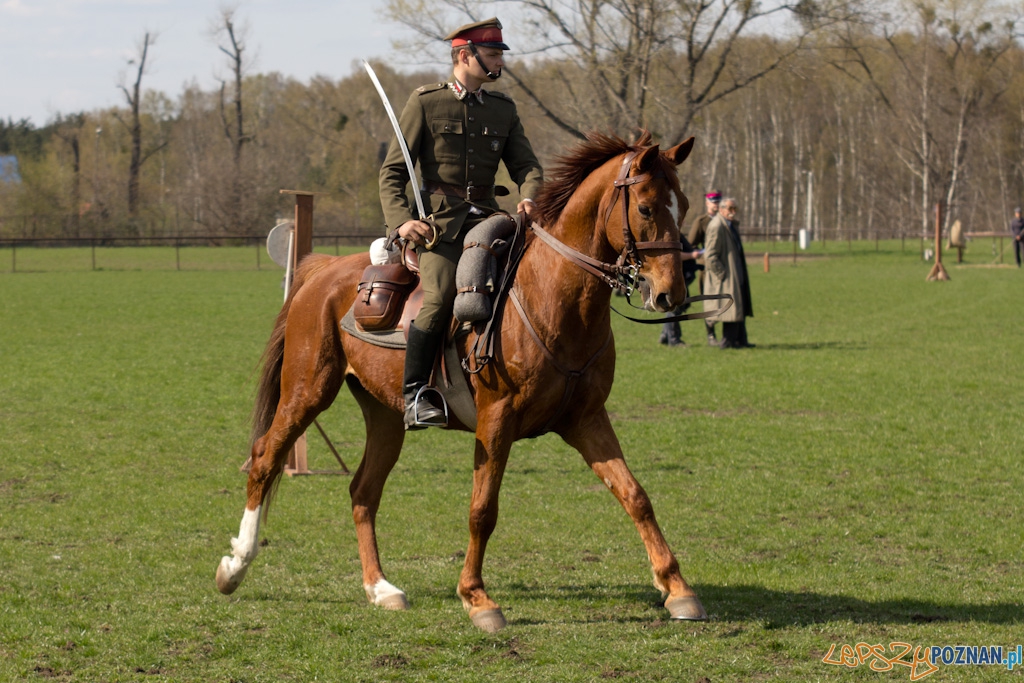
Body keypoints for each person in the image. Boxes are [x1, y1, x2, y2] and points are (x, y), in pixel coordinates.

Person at [379, 17, 543, 430]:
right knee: (439, 298)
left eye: (500, 55)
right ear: (465, 55)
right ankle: (416, 394)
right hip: (441, 229)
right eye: (492, 54)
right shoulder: (425, 102)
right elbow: (393, 173)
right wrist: (401, 222)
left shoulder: (503, 109)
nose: (499, 62)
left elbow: (528, 166)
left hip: (491, 220)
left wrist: (528, 198)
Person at [703, 198, 754, 349]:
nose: (733, 212)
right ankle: (728, 342)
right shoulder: (717, 226)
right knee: (731, 309)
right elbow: (710, 255)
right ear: (722, 209)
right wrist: (722, 274)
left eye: (735, 209)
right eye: (730, 209)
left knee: (739, 306)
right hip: (726, 276)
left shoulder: (729, 225)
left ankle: (740, 340)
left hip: (736, 272)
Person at [687, 190, 722, 345]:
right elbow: (691, 245)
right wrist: (702, 253)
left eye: (718, 201)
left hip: (724, 265)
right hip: (706, 266)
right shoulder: (701, 221)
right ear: (707, 203)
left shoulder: (724, 220)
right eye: (713, 202)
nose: (716, 204)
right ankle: (711, 335)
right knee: (709, 300)